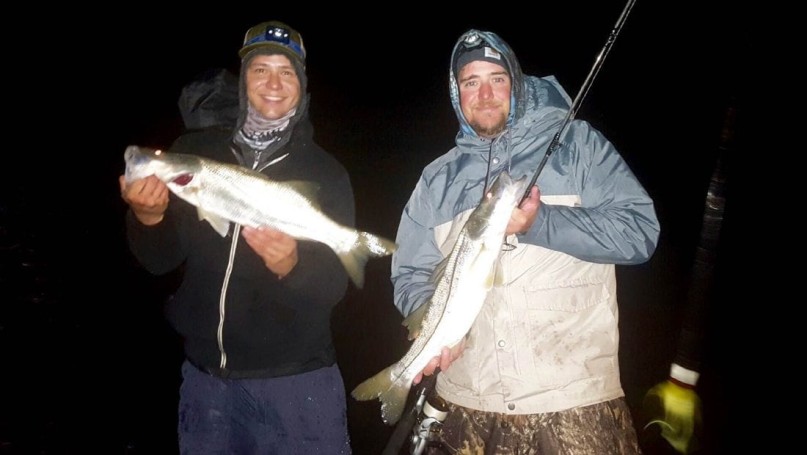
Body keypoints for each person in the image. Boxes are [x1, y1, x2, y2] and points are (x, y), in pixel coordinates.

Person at [390, 28, 660, 454]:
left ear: (517, 83)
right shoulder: (437, 179)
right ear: (455, 93)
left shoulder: (577, 144)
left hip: (572, 401)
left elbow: (639, 233)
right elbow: (411, 272)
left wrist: (542, 223)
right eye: (470, 82)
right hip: (465, 404)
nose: (484, 94)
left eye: (497, 78)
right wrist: (434, 329)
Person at [119, 21, 353, 454]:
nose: (273, 83)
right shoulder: (197, 151)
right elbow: (160, 260)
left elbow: (335, 288)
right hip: (206, 385)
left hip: (296, 383)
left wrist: (292, 266)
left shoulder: (325, 173)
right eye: (260, 69)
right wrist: (148, 217)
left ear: (302, 87)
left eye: (287, 72)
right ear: (243, 81)